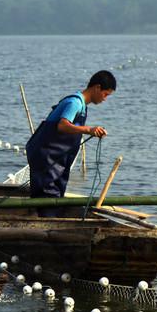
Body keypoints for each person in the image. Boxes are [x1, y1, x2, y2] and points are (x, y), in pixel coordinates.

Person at [24, 70, 114, 217]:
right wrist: (89, 129)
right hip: (46, 156)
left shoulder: (83, 106)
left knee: (57, 192)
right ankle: (47, 227)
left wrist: (91, 131)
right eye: (106, 94)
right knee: (48, 195)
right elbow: (62, 125)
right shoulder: (74, 102)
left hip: (57, 159)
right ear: (97, 88)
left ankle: (47, 222)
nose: (105, 99)